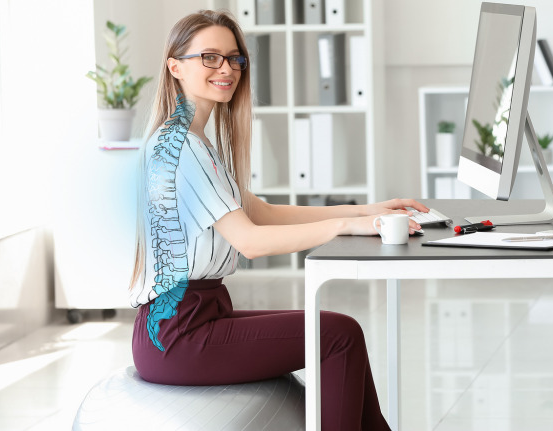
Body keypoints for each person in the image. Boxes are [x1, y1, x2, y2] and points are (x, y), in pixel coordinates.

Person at [128, 9, 427, 431]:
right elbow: (250, 240)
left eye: (235, 58)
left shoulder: (192, 142)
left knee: (342, 333)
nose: (226, 68)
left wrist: (366, 210)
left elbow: (264, 212)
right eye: (209, 58)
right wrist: (345, 227)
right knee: (338, 336)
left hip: (192, 320)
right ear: (175, 67)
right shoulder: (182, 148)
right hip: (178, 335)